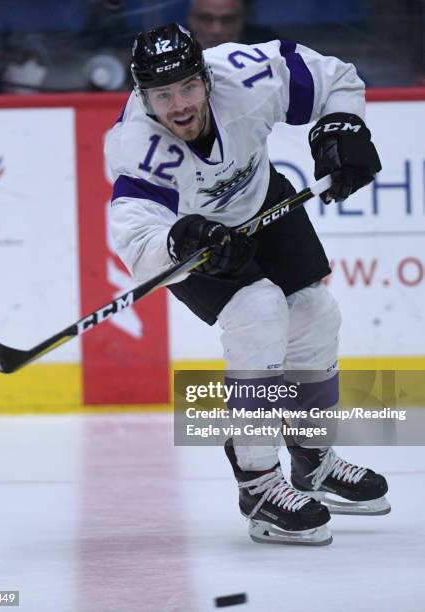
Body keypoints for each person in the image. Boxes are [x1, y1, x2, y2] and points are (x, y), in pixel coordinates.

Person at [105, 23, 389, 546]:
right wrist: (185, 238)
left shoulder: (245, 75)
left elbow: (336, 79)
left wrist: (342, 127)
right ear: (143, 96)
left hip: (261, 198)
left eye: (188, 87)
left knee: (315, 312)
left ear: (206, 79)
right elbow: (137, 241)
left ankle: (312, 459)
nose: (179, 105)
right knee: (258, 310)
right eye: (162, 95)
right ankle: (258, 484)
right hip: (191, 237)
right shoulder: (136, 146)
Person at [188, 0, 277, 49]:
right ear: (192, 19)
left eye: (227, 20)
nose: (216, 30)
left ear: (241, 21)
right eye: (206, 19)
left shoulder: (269, 49)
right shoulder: (174, 51)